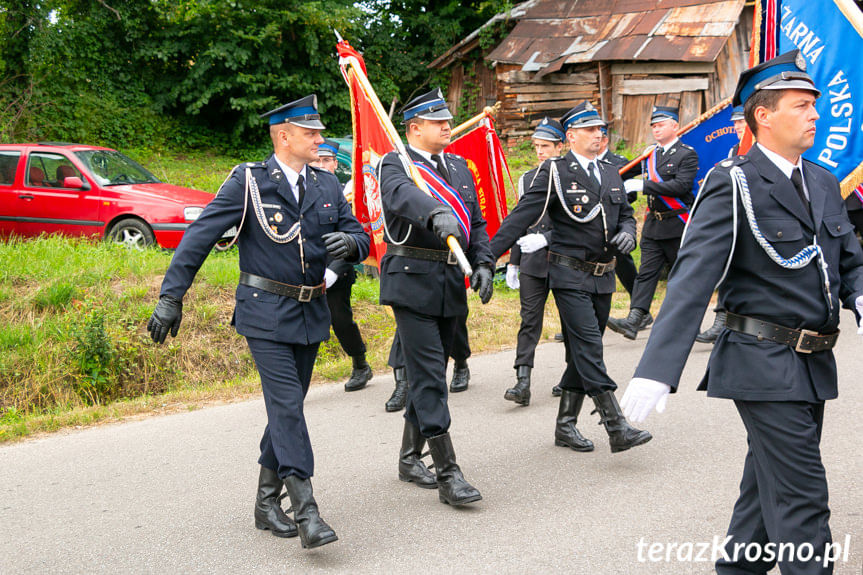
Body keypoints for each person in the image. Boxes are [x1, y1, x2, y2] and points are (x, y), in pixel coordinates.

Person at [620, 50, 863, 574]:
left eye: (815, 105)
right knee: (803, 503)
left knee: (763, 498)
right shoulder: (733, 181)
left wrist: (859, 295)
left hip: (812, 365)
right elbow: (691, 280)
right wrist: (657, 370)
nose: (815, 114)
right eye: (801, 106)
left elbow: (846, 258)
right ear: (764, 115)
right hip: (760, 362)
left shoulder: (820, 181)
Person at [146, 95, 370, 549]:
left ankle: (266, 503)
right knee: (287, 405)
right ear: (284, 136)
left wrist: (351, 245)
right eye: (312, 133)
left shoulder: (327, 184)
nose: (321, 139)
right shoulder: (248, 182)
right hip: (264, 312)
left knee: (287, 408)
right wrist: (171, 297)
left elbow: (360, 234)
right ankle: (306, 511)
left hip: (312, 311)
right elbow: (199, 238)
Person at [490, 101, 652, 453]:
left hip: (603, 276)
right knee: (591, 346)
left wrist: (629, 233)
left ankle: (565, 426)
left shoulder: (610, 171)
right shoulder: (554, 172)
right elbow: (520, 217)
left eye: (601, 129)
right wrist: (489, 256)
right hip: (568, 274)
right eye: (591, 129)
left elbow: (625, 214)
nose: (599, 134)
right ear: (572, 136)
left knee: (582, 351)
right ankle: (616, 424)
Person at [378, 88, 494, 506]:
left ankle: (410, 458)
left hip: (449, 283)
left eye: (447, 120)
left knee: (433, 374)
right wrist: (434, 212)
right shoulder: (396, 164)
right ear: (414, 128)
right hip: (411, 280)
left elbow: (476, 222)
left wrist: (484, 261)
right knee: (428, 377)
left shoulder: (460, 167)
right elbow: (402, 197)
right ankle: (449, 474)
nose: (447, 126)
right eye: (437, 121)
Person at [607, 105, 699, 340]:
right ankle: (635, 318)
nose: (656, 129)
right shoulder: (650, 155)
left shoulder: (686, 154)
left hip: (678, 223)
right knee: (646, 274)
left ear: (675, 126)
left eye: (661, 124)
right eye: (653, 126)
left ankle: (688, 322)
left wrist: (644, 185)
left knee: (683, 276)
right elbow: (625, 172)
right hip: (654, 225)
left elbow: (681, 187)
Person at [504, 117, 564, 406]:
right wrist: (514, 261)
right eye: (537, 146)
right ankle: (522, 381)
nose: (540, 152)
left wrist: (548, 238)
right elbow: (521, 220)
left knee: (571, 321)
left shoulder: (571, 175)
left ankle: (573, 377)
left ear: (559, 147)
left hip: (565, 259)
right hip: (532, 260)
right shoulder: (527, 177)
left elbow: (578, 226)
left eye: (546, 146)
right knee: (529, 321)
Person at [311, 138, 373, 391]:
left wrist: (334, 271)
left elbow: (355, 235)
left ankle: (360, 364)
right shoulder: (303, 189)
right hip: (306, 270)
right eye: (317, 160)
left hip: (338, 268)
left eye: (327, 160)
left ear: (336, 163)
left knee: (340, 320)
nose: (322, 165)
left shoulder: (348, 195)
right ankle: (293, 377)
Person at [696, 105, 747, 344]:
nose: (737, 127)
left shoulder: (761, 149)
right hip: (737, 217)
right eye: (735, 124)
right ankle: (721, 321)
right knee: (728, 268)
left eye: (741, 123)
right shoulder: (734, 149)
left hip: (758, 221)